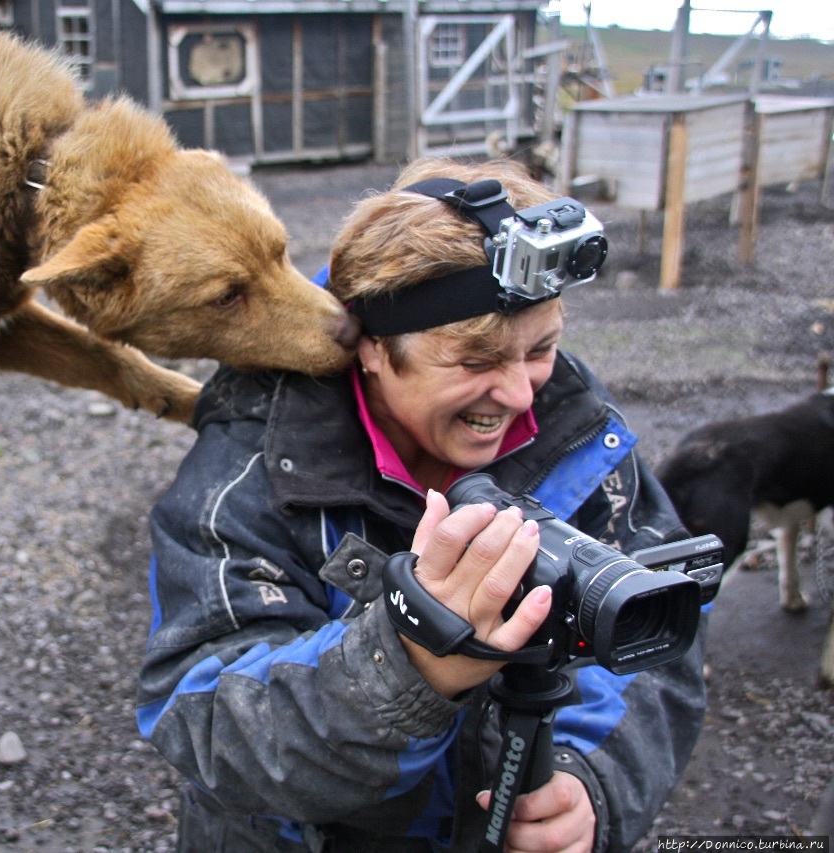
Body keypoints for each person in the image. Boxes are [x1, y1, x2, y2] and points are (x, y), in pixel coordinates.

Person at [136, 157, 707, 852]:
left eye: (542, 347)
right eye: (474, 361)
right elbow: (201, 720)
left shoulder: (577, 428)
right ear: (371, 344)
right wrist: (408, 660)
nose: (523, 395)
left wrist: (592, 782)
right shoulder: (246, 476)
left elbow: (662, 630)